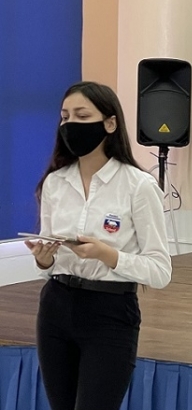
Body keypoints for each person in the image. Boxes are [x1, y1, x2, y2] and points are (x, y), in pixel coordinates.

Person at [24, 81, 172, 410]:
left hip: (110, 313)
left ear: (110, 123)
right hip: (56, 307)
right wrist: (44, 260)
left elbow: (161, 271)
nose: (70, 125)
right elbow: (49, 261)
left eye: (81, 116)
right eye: (65, 117)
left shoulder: (139, 186)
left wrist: (108, 255)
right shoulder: (55, 182)